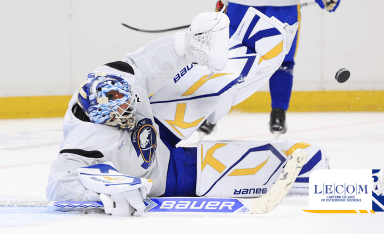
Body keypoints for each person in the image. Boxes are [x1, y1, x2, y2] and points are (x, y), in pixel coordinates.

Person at [46, 8, 328, 216]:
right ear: (101, 118)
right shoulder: (85, 142)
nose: (128, 116)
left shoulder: (118, 75)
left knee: (214, 82)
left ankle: (260, 42)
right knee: (233, 167)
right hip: (157, 173)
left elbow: (150, 61)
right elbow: (58, 185)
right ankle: (299, 166)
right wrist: (100, 193)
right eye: (121, 116)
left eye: (128, 105)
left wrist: (190, 46)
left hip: (158, 120)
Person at [200, 0, 341, 138]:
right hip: (282, 7)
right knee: (281, 60)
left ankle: (212, 113)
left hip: (241, 6)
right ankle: (278, 116)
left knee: (230, 57)